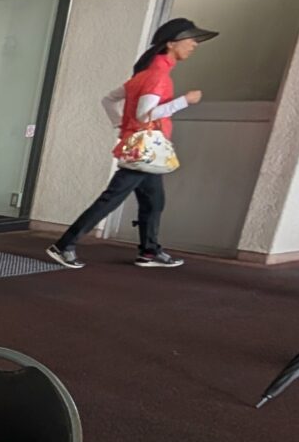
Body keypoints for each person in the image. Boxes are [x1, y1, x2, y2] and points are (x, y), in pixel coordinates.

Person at [46, 18, 218, 270]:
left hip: (145, 150)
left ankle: (149, 251)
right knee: (112, 200)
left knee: (154, 202)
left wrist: (122, 126)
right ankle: (64, 245)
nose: (194, 45)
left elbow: (109, 100)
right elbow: (145, 114)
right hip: (144, 151)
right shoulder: (157, 76)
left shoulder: (145, 75)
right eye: (191, 39)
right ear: (171, 44)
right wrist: (185, 101)